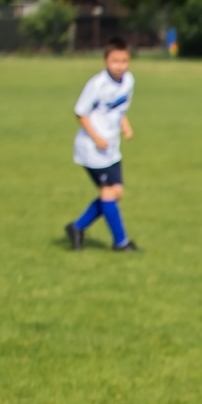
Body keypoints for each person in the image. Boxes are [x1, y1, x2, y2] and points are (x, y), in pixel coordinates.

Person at [63, 37, 139, 253]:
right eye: (115, 61)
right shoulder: (96, 85)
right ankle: (121, 242)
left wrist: (125, 125)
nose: (119, 66)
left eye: (124, 61)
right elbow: (80, 113)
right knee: (107, 193)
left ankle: (77, 227)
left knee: (117, 193)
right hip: (92, 148)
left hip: (111, 148)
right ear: (106, 60)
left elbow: (119, 108)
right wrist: (96, 137)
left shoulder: (129, 81)